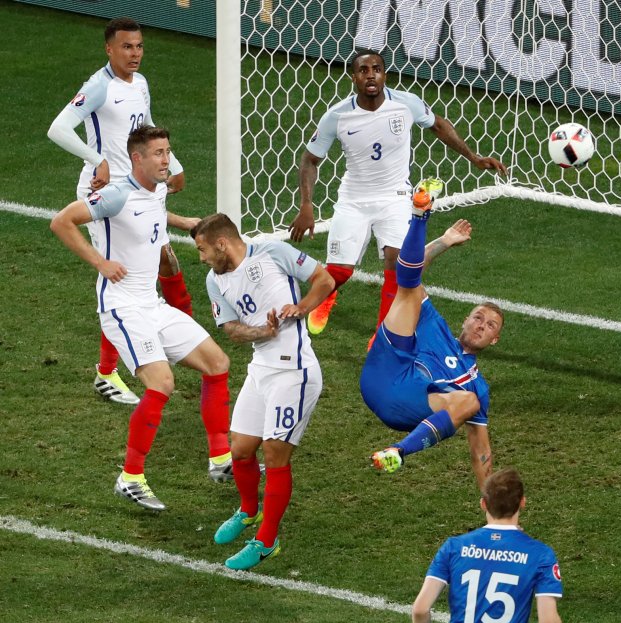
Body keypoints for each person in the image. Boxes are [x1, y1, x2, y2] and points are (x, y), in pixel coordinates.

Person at [50, 126, 232, 511]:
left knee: (217, 363)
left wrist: (181, 223)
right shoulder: (115, 194)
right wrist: (100, 262)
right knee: (161, 382)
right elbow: (62, 221)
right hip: (122, 308)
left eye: (167, 151)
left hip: (151, 304)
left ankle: (221, 461)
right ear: (137, 159)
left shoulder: (157, 189)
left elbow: (153, 212)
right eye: (159, 153)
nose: (167, 160)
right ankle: (130, 477)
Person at [289, 49, 507, 340]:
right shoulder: (337, 116)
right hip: (354, 199)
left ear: (384, 74)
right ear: (354, 77)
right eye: (364, 70)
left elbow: (439, 126)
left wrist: (473, 158)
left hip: (395, 198)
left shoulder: (406, 104)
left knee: (398, 265)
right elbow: (310, 160)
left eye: (376, 69)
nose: (371, 75)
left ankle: (381, 337)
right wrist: (306, 205)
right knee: (339, 272)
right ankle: (327, 297)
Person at [48, 17, 193, 405]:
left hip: (142, 188)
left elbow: (144, 128)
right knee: (126, 278)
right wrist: (97, 160)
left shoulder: (140, 84)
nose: (135, 54)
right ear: (109, 49)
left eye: (140, 46)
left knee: (166, 262)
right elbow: (58, 129)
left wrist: (172, 165)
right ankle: (107, 372)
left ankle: (181, 334)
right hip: (109, 195)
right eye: (127, 47)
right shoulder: (98, 87)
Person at [192, 213, 335, 570]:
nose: (202, 258)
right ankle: (248, 511)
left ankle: (266, 542)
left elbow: (325, 279)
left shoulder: (272, 252)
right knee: (239, 451)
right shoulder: (215, 280)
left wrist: (301, 308)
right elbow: (231, 329)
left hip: (294, 372)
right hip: (261, 369)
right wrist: (264, 333)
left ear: (222, 243)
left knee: (274, 456)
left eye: (203, 249)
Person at [360, 180, 502, 490]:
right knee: (409, 289)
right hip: (383, 373)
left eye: (490, 325)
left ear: (494, 341)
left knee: (469, 402)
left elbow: (481, 449)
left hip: (406, 404)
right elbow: (408, 272)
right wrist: (445, 240)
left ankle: (398, 451)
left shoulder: (476, 385)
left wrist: (489, 498)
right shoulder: (434, 324)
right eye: (478, 317)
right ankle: (419, 214)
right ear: (464, 319)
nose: (481, 325)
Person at [412, 468, 566, 623]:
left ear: (483, 503)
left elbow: (420, 609)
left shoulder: (453, 547)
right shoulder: (540, 554)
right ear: (522, 502)